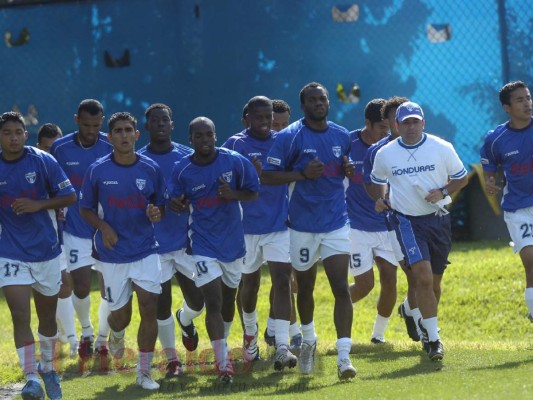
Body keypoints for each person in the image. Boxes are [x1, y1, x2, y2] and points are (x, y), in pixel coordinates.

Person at [262, 82, 357, 380]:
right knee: (304, 289)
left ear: (329, 103)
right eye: (313, 100)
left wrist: (349, 168)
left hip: (336, 224)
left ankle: (344, 357)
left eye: (323, 99)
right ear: (303, 106)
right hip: (301, 227)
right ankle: (309, 341)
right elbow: (268, 175)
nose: (319, 103)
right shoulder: (291, 136)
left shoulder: (342, 135)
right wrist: (301, 174)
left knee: (341, 287)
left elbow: (345, 165)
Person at [369, 101, 468, 361]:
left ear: (423, 123)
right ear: (397, 125)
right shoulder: (385, 154)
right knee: (422, 278)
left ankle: (411, 311)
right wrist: (381, 199)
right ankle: (434, 340)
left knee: (434, 285)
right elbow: (377, 181)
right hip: (407, 222)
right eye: (406, 122)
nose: (411, 127)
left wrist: (443, 192)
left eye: (416, 121)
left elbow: (462, 177)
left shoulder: (441, 147)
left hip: (438, 220)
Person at [169, 117, 259, 383]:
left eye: (208, 135)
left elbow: (253, 191)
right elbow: (174, 198)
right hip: (202, 244)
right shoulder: (182, 169)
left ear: (215, 136)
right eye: (198, 136)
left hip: (233, 245)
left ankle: (212, 341)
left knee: (230, 302)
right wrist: (177, 203)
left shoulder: (234, 161)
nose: (204, 140)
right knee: (214, 301)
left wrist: (233, 194)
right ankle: (223, 365)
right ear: (191, 140)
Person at [79, 112, 165, 390]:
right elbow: (84, 208)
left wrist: (155, 212)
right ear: (110, 137)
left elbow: (159, 204)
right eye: (118, 131)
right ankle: (116, 335)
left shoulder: (150, 168)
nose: (125, 135)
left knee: (149, 306)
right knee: (121, 316)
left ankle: (144, 372)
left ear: (137, 135)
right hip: (112, 253)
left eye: (129, 130)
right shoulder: (98, 170)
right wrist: (103, 227)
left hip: (145, 249)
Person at [0, 111, 77, 400]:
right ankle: (31, 377)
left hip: (45, 250)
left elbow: (70, 196)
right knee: (20, 315)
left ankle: (49, 368)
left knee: (47, 319)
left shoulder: (42, 160)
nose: (13, 137)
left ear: (25, 134)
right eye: (7, 132)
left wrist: (38, 205)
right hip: (9, 252)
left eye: (18, 132)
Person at [223, 96, 297, 371]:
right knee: (249, 286)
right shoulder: (234, 145)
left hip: (278, 226)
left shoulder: (284, 141)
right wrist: (248, 176)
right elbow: (222, 181)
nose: (266, 123)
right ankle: (250, 340)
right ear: (247, 120)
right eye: (259, 117)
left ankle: (282, 347)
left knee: (282, 280)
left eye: (269, 117)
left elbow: (295, 173)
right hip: (245, 229)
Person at [138, 103, 205, 377]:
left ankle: (185, 320)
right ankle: (172, 360)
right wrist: (150, 208)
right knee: (160, 305)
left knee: (200, 302)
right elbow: (135, 199)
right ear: (147, 127)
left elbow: (203, 192)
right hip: (155, 245)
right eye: (155, 121)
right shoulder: (139, 160)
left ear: (172, 124)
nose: (160, 124)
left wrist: (186, 201)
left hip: (187, 241)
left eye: (165, 120)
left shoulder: (188, 156)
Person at [51, 99, 113, 360]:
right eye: (86, 125)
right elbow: (51, 182)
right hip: (75, 229)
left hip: (107, 229)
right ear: (76, 120)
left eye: (96, 125)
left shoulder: (110, 145)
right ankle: (86, 333)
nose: (91, 131)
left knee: (111, 288)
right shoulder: (60, 147)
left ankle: (103, 339)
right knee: (82, 287)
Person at [363, 96, 422, 342]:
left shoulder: (425, 146)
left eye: (409, 118)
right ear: (389, 121)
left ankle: (410, 311)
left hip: (422, 220)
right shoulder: (378, 151)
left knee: (420, 275)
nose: (404, 123)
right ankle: (419, 324)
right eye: (398, 118)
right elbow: (371, 184)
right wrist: (385, 200)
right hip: (392, 224)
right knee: (410, 274)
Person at [346, 98, 400, 344]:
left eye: (388, 127)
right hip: (355, 227)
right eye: (381, 127)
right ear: (367, 123)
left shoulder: (392, 147)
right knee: (365, 285)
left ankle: (378, 336)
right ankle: (339, 312)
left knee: (390, 278)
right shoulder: (347, 143)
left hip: (385, 224)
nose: (386, 132)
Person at [480, 80, 533, 324]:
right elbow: (489, 171)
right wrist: (490, 182)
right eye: (520, 100)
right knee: (531, 261)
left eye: (528, 97)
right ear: (507, 107)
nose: (527, 103)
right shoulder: (496, 139)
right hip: (518, 209)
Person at [262, 99, 302, 352]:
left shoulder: (294, 144)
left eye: (284, 124)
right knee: (282, 278)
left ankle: (274, 327)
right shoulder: (253, 148)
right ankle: (290, 330)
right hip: (263, 224)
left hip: (295, 221)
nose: (278, 129)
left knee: (288, 280)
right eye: (274, 124)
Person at [37, 123, 79, 357]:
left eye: (55, 148)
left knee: (66, 282)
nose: (51, 153)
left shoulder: (62, 168)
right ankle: (56, 334)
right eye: (46, 148)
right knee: (51, 287)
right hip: (38, 236)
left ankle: (70, 338)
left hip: (63, 234)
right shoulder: (33, 165)